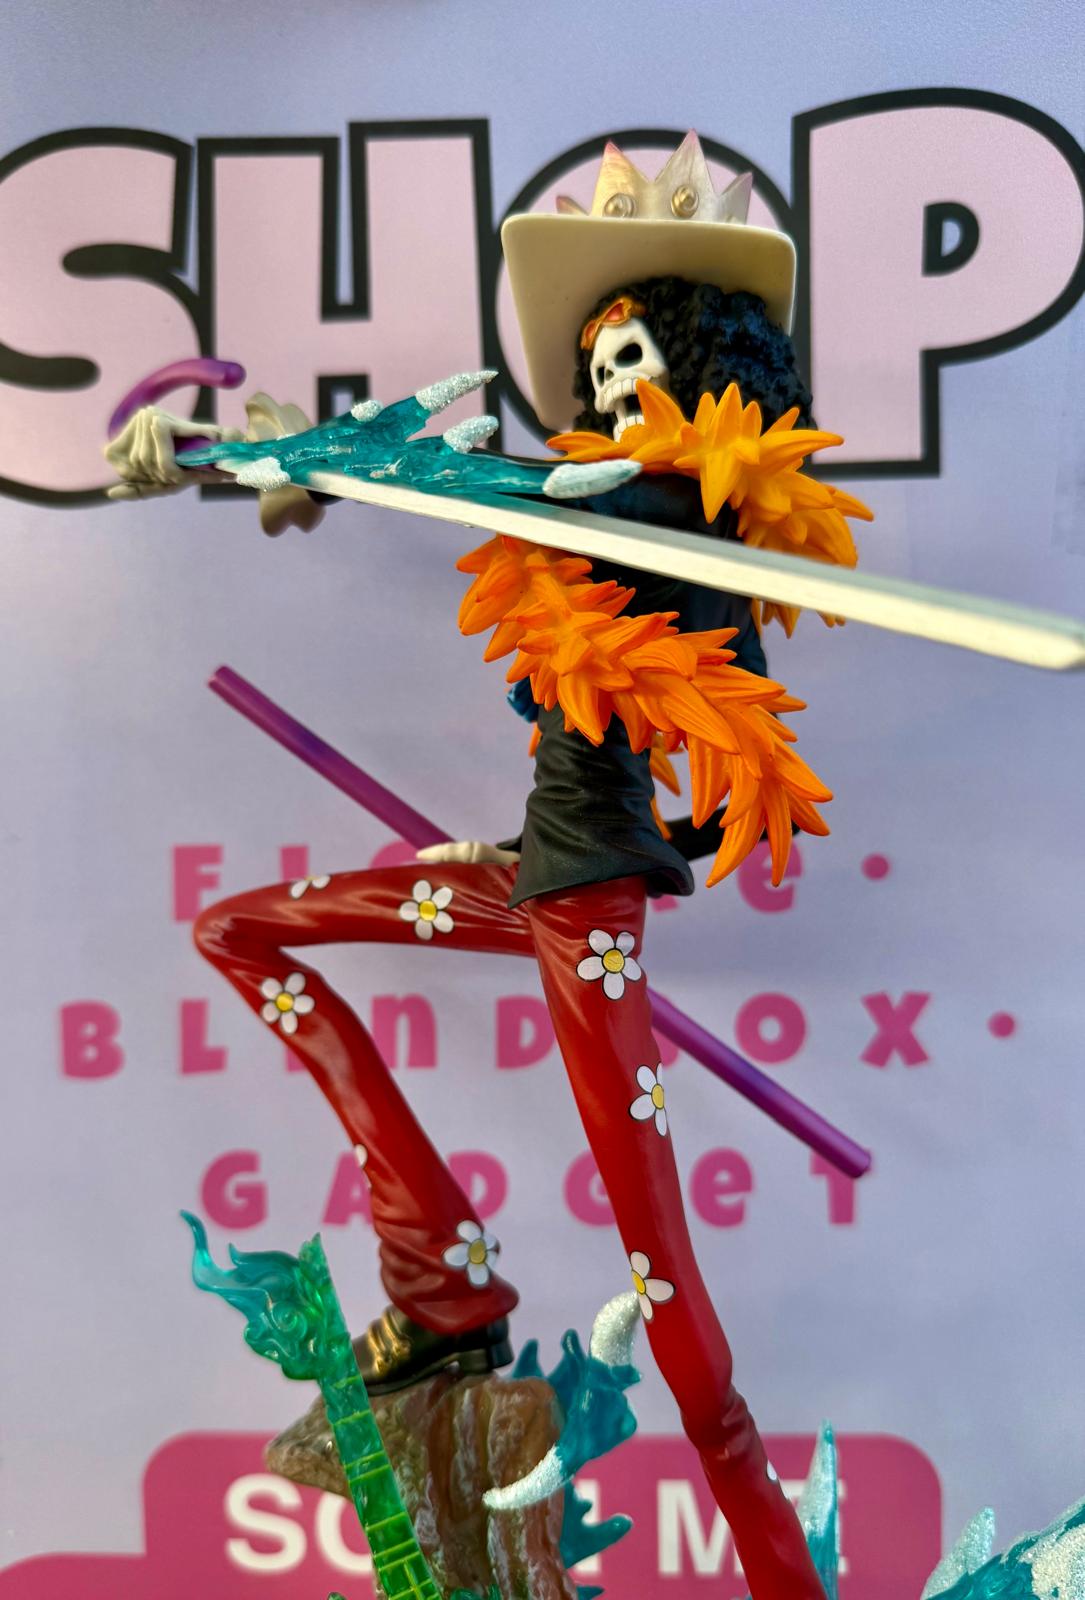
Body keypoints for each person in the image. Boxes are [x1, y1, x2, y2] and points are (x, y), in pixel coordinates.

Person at [108, 133, 867, 1599]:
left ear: (711, 369)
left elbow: (548, 504)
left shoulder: (682, 507)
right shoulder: (586, 509)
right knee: (239, 931)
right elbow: (537, 538)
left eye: (637, 356)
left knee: (673, 1308)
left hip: (587, 918)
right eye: (598, 365)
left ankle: (779, 1577)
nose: (610, 384)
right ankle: (443, 1276)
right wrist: (243, 453)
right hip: (541, 878)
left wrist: (303, 454)